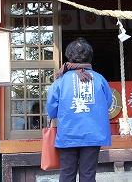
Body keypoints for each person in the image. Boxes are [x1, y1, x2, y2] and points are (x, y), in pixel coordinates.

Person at [46, 38, 112, 182]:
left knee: (67, 174)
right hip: (93, 133)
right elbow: (108, 103)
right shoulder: (100, 79)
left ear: (69, 56)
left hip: (68, 133)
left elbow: (51, 109)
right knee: (88, 175)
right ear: (90, 56)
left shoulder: (60, 81)